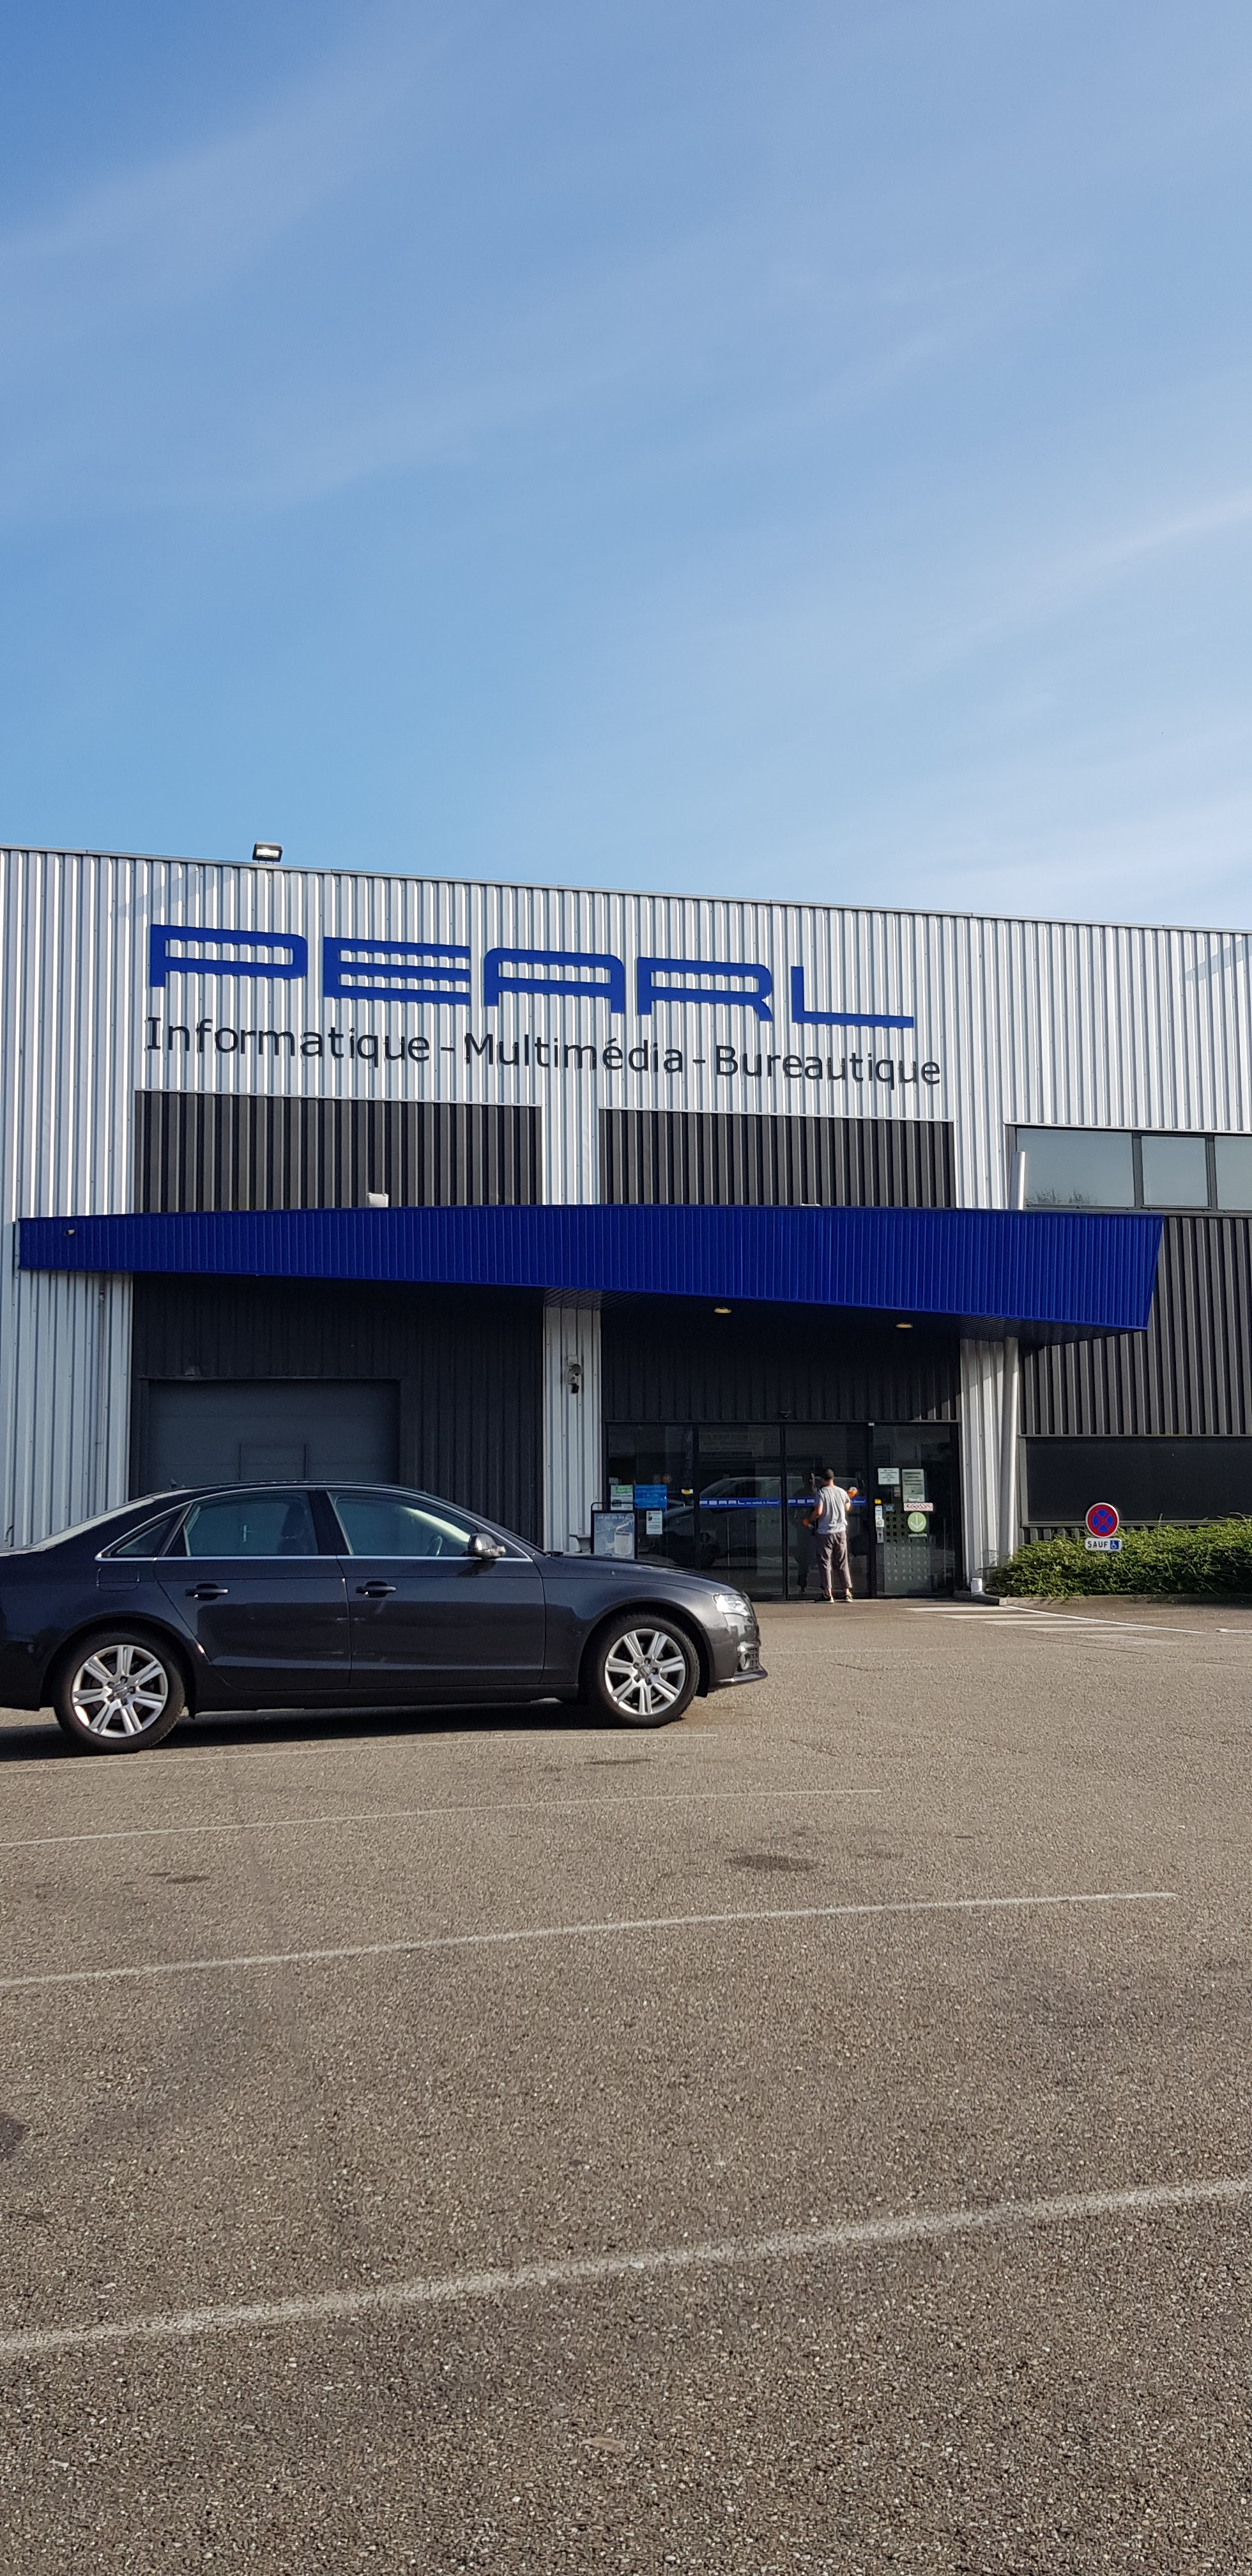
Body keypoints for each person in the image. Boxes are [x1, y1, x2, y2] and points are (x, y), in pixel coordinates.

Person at [807, 1469, 858, 1602]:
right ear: (833, 1479)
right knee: (842, 1562)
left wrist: (809, 1520)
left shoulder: (822, 1493)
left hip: (825, 1532)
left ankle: (828, 1594)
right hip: (840, 1531)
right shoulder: (842, 1492)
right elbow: (847, 1508)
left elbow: (819, 1512)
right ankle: (847, 1592)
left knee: (825, 1563)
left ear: (823, 1480)